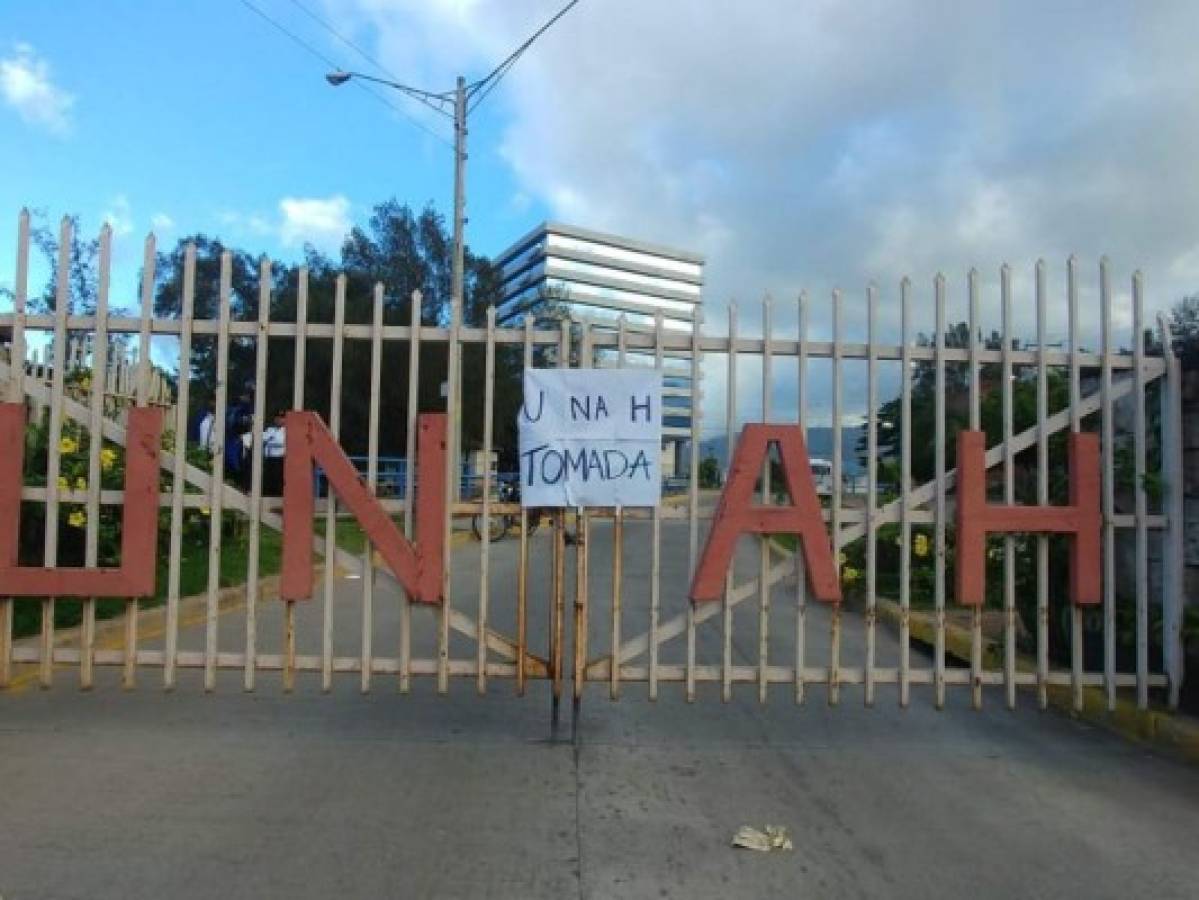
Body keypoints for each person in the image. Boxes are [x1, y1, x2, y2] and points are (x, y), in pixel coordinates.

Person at [261, 411, 286, 495]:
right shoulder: (270, 430)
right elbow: (263, 439)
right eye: (277, 417)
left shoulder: (287, 431)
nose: (278, 419)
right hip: (269, 459)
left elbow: (282, 442)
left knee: (278, 480)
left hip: (280, 459)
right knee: (268, 480)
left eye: (281, 417)